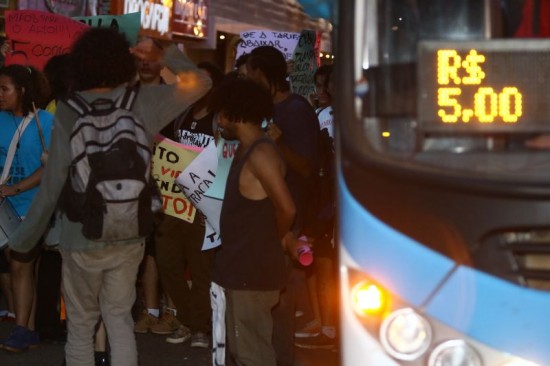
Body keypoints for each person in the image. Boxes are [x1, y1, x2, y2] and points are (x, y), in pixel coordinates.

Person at [6, 27, 211, 366]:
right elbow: (202, 83)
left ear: (81, 64)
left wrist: (24, 238)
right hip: (130, 231)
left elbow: (54, 180)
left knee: (82, 326)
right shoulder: (142, 102)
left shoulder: (69, 109)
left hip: (80, 233)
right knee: (119, 321)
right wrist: (164, 54)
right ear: (122, 62)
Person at [209, 76, 296, 366]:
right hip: (242, 269)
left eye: (221, 113)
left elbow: (287, 209)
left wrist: (276, 238)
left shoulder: (261, 152)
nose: (218, 120)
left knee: (252, 354)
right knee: (243, 350)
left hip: (252, 271)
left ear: (235, 111)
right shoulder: (249, 149)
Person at [245, 45, 320, 366]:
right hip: (263, 214)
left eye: (251, 74)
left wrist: (278, 142)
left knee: (283, 300)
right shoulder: (261, 107)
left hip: (288, 216)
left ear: (262, 74)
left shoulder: (295, 109)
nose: (248, 80)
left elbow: (306, 167)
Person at [154, 60, 224, 348]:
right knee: (167, 263)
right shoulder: (181, 116)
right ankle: (190, 319)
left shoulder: (220, 120)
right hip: (174, 204)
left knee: (200, 269)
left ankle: (199, 328)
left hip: (203, 206)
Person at [0, 64, 54, 352]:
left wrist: (15, 188)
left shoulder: (46, 122)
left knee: (20, 262)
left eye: (4, 88)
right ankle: (28, 329)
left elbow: (51, 167)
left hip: (35, 205)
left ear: (22, 91)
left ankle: (21, 330)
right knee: (22, 266)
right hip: (5, 209)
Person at [294, 65, 337, 349]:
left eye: (326, 86)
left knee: (327, 266)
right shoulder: (319, 116)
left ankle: (331, 328)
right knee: (314, 261)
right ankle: (322, 320)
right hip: (320, 198)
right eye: (318, 86)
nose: (322, 92)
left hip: (336, 201)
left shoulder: (344, 117)